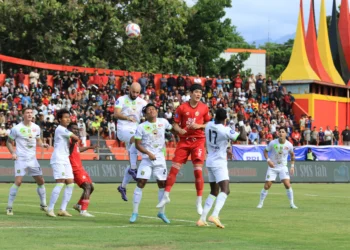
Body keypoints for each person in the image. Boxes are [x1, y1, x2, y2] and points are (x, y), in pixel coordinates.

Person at [157, 84, 211, 215]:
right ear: (191, 93)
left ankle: (199, 202)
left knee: (198, 172)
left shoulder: (204, 108)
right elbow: (175, 124)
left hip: (198, 141)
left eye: (200, 93)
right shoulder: (181, 108)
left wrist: (198, 125)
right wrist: (179, 129)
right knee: (174, 170)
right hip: (184, 141)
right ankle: (166, 196)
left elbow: (209, 124)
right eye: (196, 92)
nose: (198, 95)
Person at [197, 108, 246, 228]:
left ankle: (202, 219)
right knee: (225, 190)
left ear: (214, 117)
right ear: (225, 119)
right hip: (219, 162)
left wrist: (227, 147)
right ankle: (214, 215)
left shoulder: (208, 125)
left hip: (210, 161)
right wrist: (241, 121)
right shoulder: (225, 130)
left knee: (214, 191)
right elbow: (243, 137)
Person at [129, 103, 172, 223]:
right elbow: (137, 145)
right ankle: (135, 212)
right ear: (145, 114)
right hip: (147, 159)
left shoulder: (163, 122)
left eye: (153, 109)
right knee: (141, 182)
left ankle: (161, 213)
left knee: (162, 184)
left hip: (160, 159)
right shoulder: (141, 127)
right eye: (149, 110)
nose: (152, 111)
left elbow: (173, 128)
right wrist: (148, 153)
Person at [5, 107, 50, 215]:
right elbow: (8, 142)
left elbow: (38, 140)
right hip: (21, 159)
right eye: (27, 113)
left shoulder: (36, 127)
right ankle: (9, 207)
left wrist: (42, 144)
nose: (30, 114)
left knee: (41, 181)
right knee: (18, 182)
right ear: (23, 115)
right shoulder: (16, 128)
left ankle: (43, 204)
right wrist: (13, 153)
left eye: (31, 112)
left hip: (32, 160)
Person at [114, 82, 147, 201]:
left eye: (137, 92)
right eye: (133, 92)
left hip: (136, 129)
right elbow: (116, 113)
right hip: (123, 129)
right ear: (129, 90)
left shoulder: (143, 102)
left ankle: (122, 186)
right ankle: (133, 168)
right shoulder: (121, 99)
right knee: (136, 141)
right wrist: (127, 117)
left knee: (133, 151)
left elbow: (147, 115)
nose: (135, 94)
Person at [46, 109, 79, 217]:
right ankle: (50, 209)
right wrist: (74, 139)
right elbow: (75, 137)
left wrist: (74, 141)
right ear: (59, 119)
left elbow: (73, 143)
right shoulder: (60, 129)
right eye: (65, 117)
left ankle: (62, 210)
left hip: (65, 159)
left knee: (70, 183)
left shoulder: (65, 130)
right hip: (58, 159)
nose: (68, 119)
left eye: (68, 117)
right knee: (60, 182)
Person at [257, 127, 298, 209]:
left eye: (283, 132)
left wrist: (292, 166)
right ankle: (260, 203)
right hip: (272, 167)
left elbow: (292, 155)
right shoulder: (272, 143)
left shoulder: (289, 145)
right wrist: (268, 160)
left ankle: (292, 204)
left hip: (283, 167)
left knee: (287, 184)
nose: (281, 133)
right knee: (267, 186)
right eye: (280, 132)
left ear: (286, 134)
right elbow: (265, 151)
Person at [68, 123, 97, 217]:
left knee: (91, 187)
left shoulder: (74, 140)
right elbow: (69, 150)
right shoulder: (68, 140)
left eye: (77, 129)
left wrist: (89, 147)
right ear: (69, 130)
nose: (76, 130)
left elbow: (77, 150)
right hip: (75, 168)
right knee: (87, 187)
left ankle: (78, 205)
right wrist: (73, 141)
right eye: (74, 129)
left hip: (80, 167)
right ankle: (83, 210)